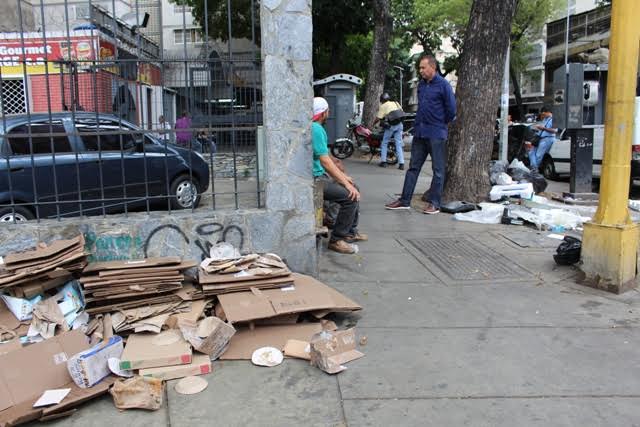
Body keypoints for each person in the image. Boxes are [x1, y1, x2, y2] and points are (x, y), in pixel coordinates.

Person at [385, 55, 456, 214]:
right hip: (420, 132)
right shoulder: (422, 85)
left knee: (438, 170)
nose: (421, 71)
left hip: (436, 133)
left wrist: (439, 122)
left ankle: (434, 204)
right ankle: (404, 201)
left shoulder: (444, 85)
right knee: (413, 168)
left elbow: (451, 110)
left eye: (423, 68)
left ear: (433, 67)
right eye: (420, 68)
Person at [312, 97, 367, 254]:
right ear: (323, 113)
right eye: (327, 110)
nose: (329, 113)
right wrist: (344, 182)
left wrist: (344, 178)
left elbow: (327, 158)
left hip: (319, 176)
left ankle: (350, 232)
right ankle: (337, 239)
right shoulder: (316, 129)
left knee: (354, 188)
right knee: (350, 195)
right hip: (315, 180)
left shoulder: (316, 128)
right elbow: (325, 162)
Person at [373, 93, 405, 170]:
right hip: (400, 124)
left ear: (382, 100)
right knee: (398, 143)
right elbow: (401, 112)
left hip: (392, 126)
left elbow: (378, 118)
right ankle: (401, 164)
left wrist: (373, 124)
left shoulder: (383, 106)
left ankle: (383, 162)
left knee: (384, 142)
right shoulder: (396, 103)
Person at [528, 106, 557, 171]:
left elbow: (554, 130)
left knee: (539, 155)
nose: (543, 115)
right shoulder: (545, 119)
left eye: (544, 114)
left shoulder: (553, 119)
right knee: (531, 152)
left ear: (548, 112)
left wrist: (543, 128)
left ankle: (534, 169)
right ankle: (533, 167)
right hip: (539, 138)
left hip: (547, 139)